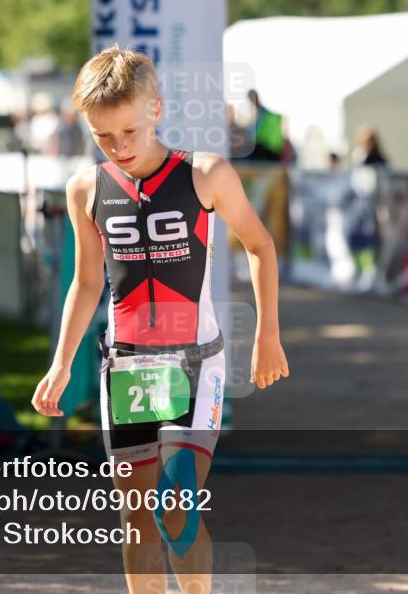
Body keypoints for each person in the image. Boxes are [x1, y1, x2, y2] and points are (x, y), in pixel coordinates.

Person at [31, 46, 289, 594]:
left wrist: (267, 334)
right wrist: (61, 364)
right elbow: (87, 282)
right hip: (125, 366)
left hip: (194, 364)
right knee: (136, 519)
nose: (119, 146)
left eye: (129, 131)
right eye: (103, 136)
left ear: (156, 110)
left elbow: (260, 245)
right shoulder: (85, 190)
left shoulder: (205, 173)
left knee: (176, 508)